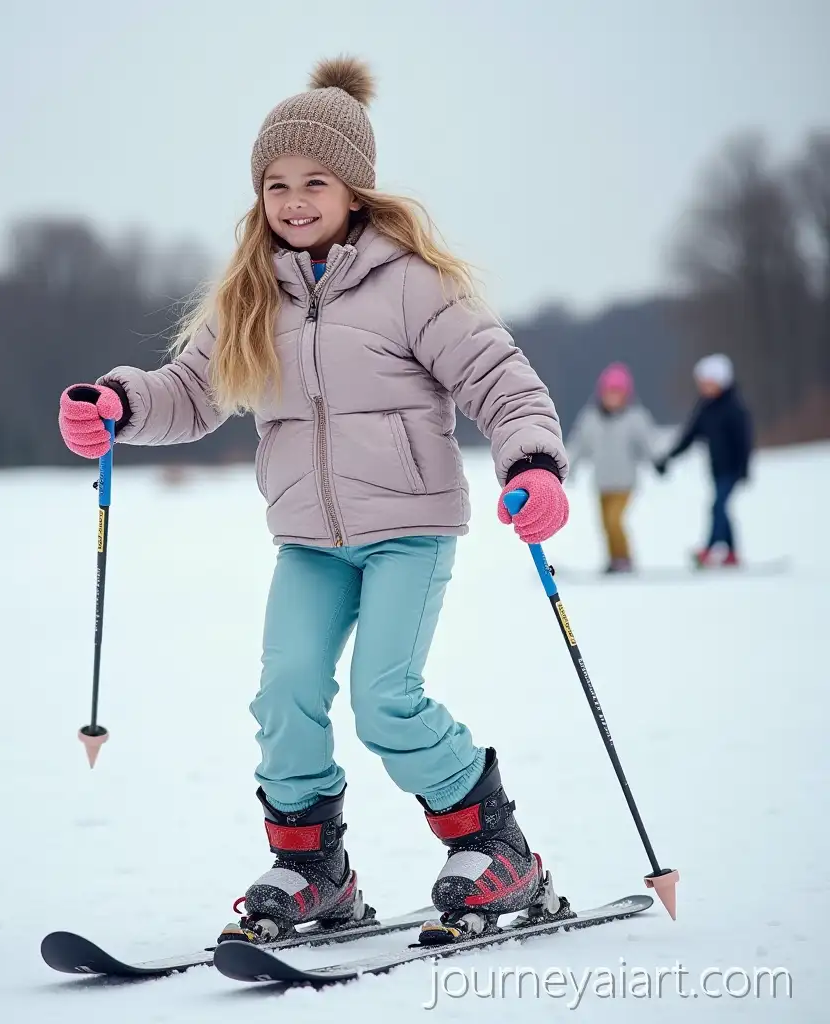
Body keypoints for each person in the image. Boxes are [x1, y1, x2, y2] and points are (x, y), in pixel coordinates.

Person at [56, 57, 571, 943]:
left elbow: (500, 379)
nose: (293, 201)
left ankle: (495, 846)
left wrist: (533, 464)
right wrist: (123, 403)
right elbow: (192, 390)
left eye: (314, 182)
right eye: (275, 185)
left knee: (385, 697)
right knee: (286, 693)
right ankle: (311, 866)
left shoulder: (414, 281)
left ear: (355, 189)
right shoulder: (253, 292)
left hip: (408, 528)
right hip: (306, 538)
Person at [655, 353, 752, 567]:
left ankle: (709, 550)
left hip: (732, 469)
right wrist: (669, 457)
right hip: (716, 468)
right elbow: (689, 436)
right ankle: (731, 553)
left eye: (708, 382)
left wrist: (744, 468)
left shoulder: (733, 408)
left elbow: (744, 441)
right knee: (721, 508)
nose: (703, 387)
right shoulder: (705, 408)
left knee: (717, 507)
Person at [566, 362, 659, 573]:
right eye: (610, 392)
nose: (613, 397)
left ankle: (624, 559)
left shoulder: (635, 418)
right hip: (602, 482)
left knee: (615, 520)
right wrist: (570, 469)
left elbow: (648, 444)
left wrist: (658, 461)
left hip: (625, 483)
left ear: (626, 395)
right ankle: (613, 560)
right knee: (605, 525)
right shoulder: (590, 419)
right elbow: (579, 446)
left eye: (618, 393)